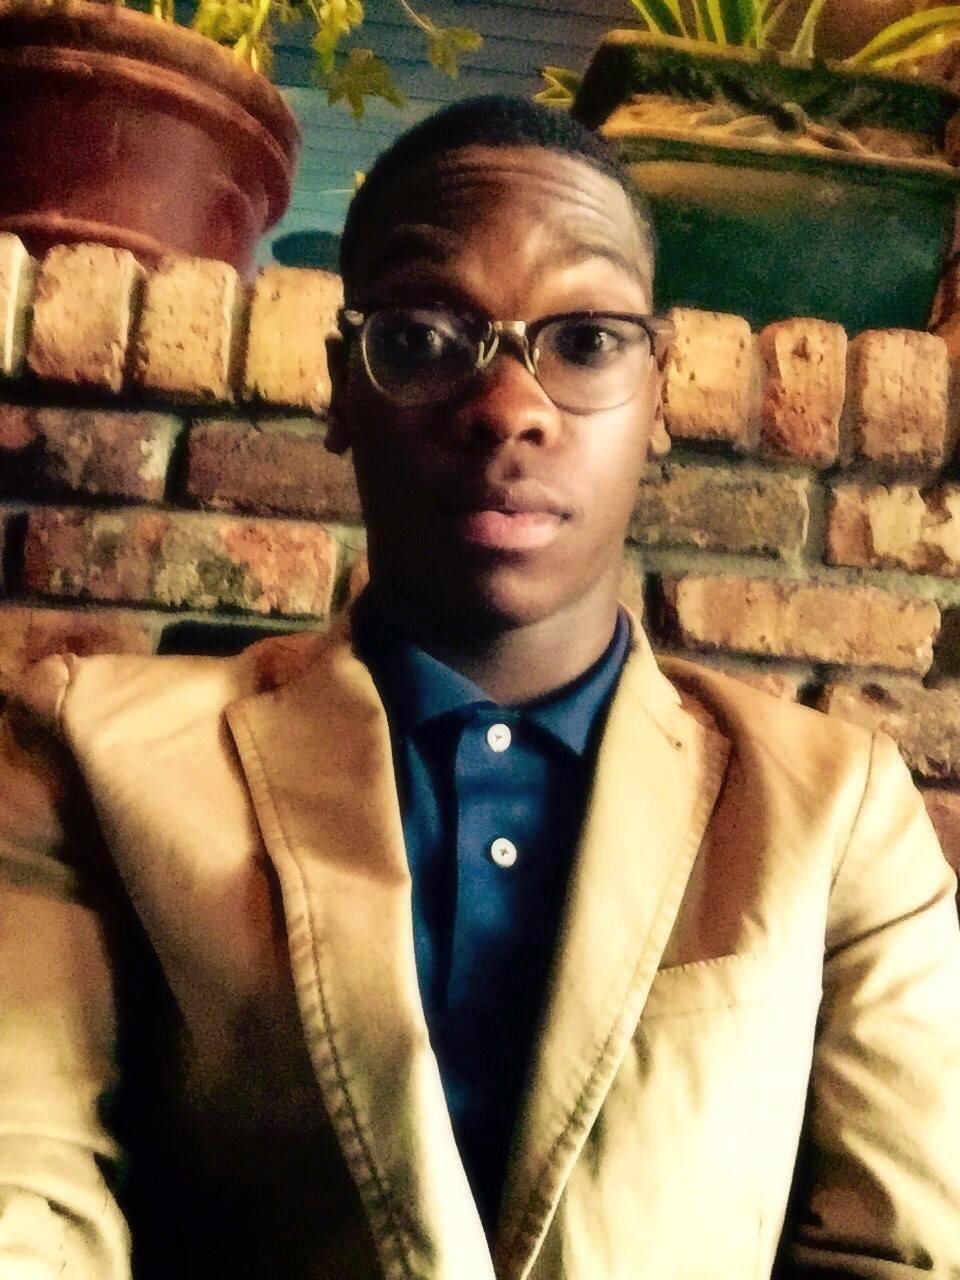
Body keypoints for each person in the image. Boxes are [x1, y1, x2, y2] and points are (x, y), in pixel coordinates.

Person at [1, 95, 959, 1280]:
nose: (508, 406)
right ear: (342, 388)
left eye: (587, 339)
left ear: (659, 392)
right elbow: (25, 1204)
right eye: (421, 336)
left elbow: (902, 1250)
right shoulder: (88, 756)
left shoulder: (836, 809)